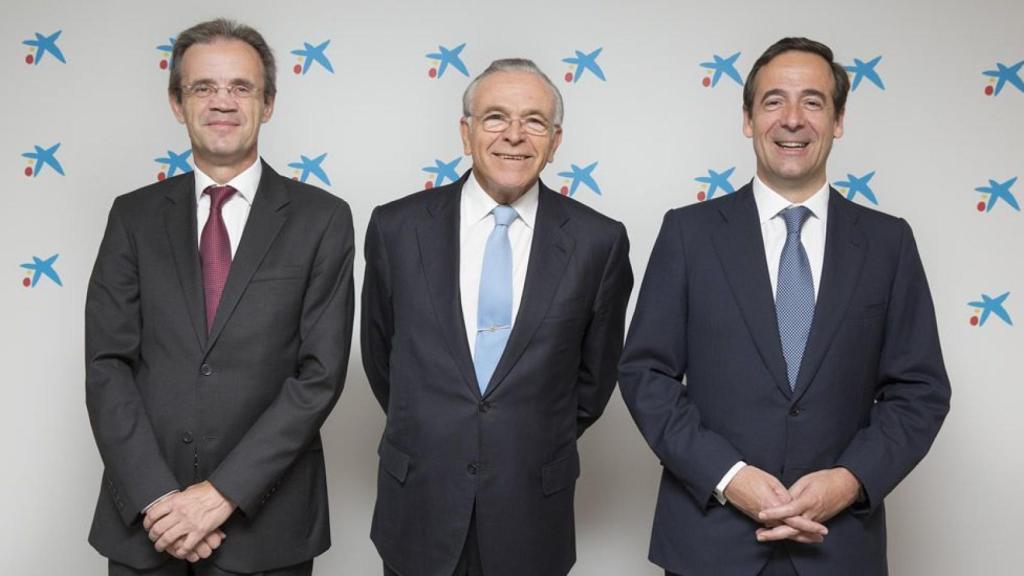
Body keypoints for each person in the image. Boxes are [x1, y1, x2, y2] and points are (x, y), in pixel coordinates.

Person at [618, 37, 950, 576]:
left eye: (813, 102)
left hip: (839, 547)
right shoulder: (688, 233)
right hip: (710, 545)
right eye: (773, 101)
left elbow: (921, 390)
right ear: (748, 119)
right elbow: (645, 373)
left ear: (838, 120)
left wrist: (849, 481)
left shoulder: (889, 244)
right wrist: (728, 476)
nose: (792, 119)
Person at [85, 18, 354, 576]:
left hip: (268, 527)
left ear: (269, 103)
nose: (222, 102)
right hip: (145, 525)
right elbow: (107, 364)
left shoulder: (323, 219)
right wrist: (158, 499)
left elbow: (319, 375)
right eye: (203, 87)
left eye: (241, 87)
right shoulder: (131, 216)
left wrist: (220, 495)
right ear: (177, 105)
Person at [361, 58, 633, 576]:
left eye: (534, 121)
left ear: (555, 142)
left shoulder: (599, 242)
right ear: (466, 133)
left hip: (532, 509)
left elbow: (593, 383)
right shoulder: (397, 229)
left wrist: (519, 434)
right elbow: (382, 359)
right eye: (494, 118)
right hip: (418, 505)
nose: (514, 135)